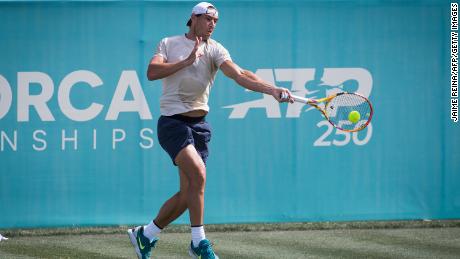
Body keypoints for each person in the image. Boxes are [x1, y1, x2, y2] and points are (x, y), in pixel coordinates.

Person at [127, 2, 293, 259]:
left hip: (200, 126)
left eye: (215, 20)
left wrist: (271, 90)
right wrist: (186, 61)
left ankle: (146, 234)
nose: (212, 24)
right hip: (173, 124)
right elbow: (152, 72)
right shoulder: (168, 44)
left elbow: (240, 74)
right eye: (207, 19)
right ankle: (198, 242)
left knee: (188, 194)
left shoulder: (215, 49)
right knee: (199, 176)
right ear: (193, 19)